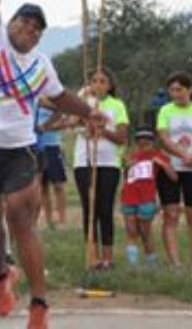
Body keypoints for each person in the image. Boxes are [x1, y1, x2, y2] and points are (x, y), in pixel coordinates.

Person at [0, 0, 106, 329]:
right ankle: (1, 274)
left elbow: (58, 97)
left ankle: (39, 305)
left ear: (41, 38)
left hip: (19, 150)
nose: (30, 27)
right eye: (24, 21)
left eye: (37, 27)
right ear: (10, 24)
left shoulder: (42, 65)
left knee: (20, 217)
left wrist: (90, 112)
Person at [156, 71, 192, 275]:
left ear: (190, 89)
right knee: (171, 214)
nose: (175, 93)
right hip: (170, 168)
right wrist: (181, 153)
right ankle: (175, 264)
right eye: (171, 90)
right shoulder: (165, 111)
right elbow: (163, 137)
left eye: (179, 89)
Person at [71, 68, 129, 270]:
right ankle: (91, 257)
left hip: (109, 162)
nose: (98, 85)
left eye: (103, 81)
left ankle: (108, 258)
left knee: (105, 209)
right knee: (89, 208)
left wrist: (102, 129)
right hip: (84, 161)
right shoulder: (83, 103)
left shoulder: (117, 105)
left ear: (110, 85)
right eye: (94, 81)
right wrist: (82, 104)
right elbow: (71, 122)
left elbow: (122, 138)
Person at [120, 126, 176, 266]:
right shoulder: (132, 156)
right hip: (128, 197)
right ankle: (132, 265)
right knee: (131, 231)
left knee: (145, 232)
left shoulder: (158, 156)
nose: (143, 146)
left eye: (147, 142)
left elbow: (174, 177)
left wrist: (163, 164)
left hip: (146, 198)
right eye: (140, 142)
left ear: (152, 142)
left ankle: (151, 262)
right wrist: (127, 167)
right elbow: (127, 177)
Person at [35, 97, 67, 230]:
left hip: (53, 145)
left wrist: (46, 127)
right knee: (42, 187)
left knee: (58, 185)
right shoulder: (34, 99)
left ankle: (62, 221)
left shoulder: (53, 99)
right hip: (36, 146)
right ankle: (48, 221)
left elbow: (64, 122)